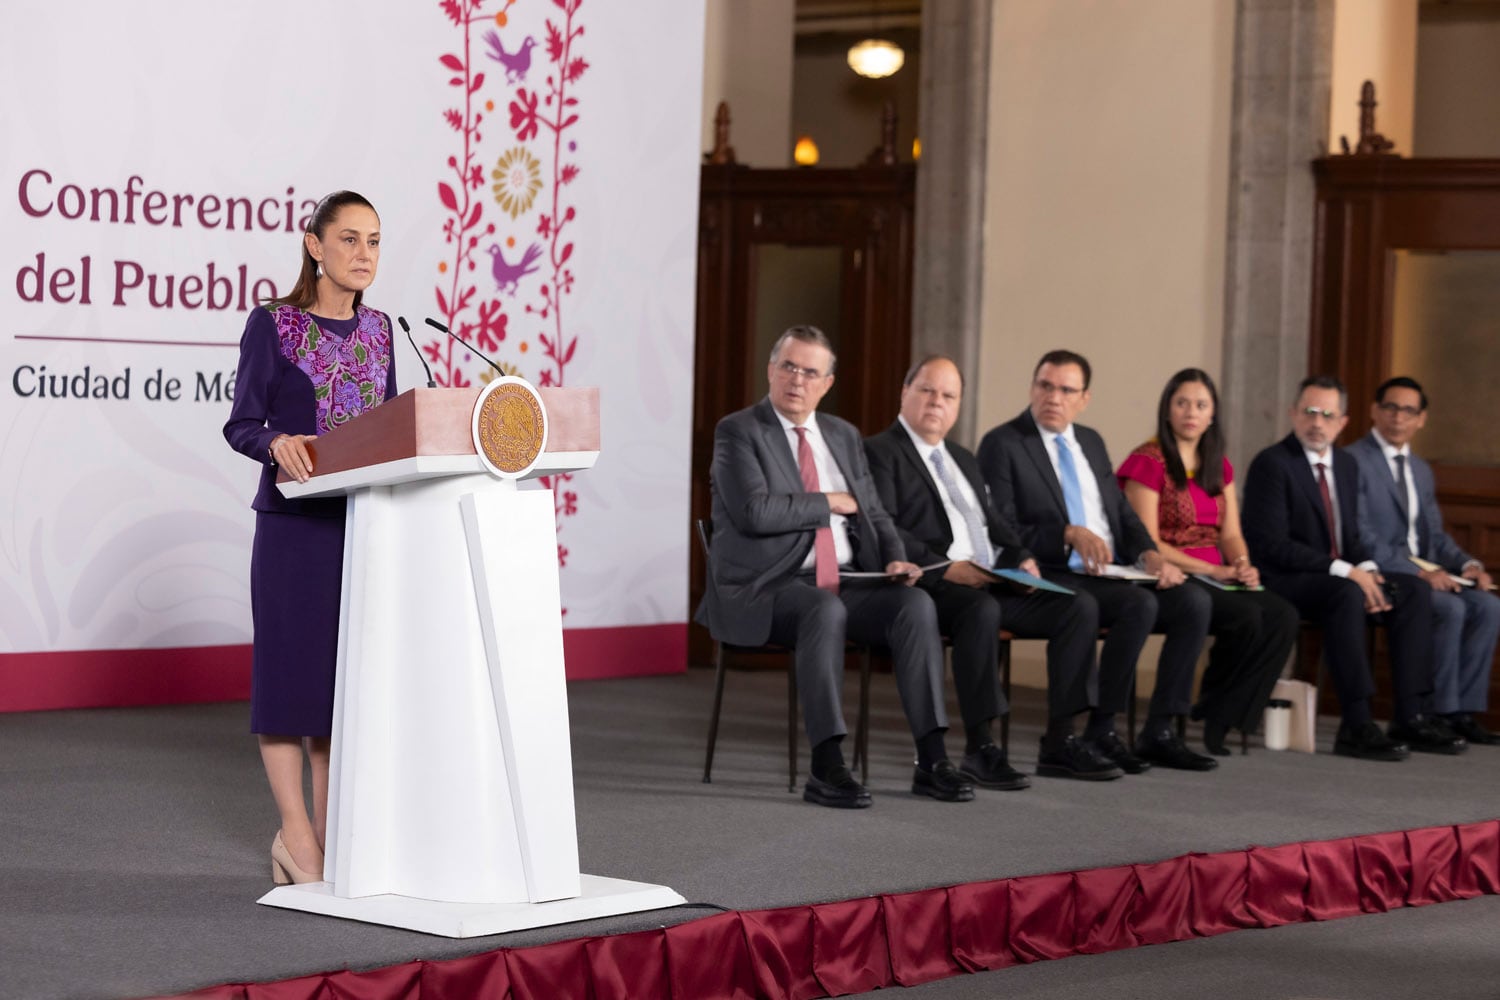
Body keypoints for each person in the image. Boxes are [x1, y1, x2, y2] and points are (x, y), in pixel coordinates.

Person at [696, 326, 971, 808]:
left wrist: (892, 556)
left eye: (810, 372)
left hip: (845, 579)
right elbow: (754, 513)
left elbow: (875, 511)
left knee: (914, 604)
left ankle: (932, 760)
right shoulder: (739, 430)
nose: (797, 380)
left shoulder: (842, 435)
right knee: (823, 611)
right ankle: (827, 766)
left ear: (827, 383)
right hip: (768, 585)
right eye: (789, 367)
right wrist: (829, 502)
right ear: (771, 370)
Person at [223, 191, 397, 883]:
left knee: (338, 691)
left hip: (363, 528)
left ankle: (330, 831)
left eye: (376, 242)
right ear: (314, 245)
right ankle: (296, 836)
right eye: (350, 239)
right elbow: (242, 423)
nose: (364, 255)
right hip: (295, 531)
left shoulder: (384, 331)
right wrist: (277, 441)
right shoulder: (274, 324)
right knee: (289, 684)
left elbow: (391, 430)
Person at [865, 355, 1117, 785]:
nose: (936, 402)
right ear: (904, 392)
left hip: (988, 578)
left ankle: (1060, 741)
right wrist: (947, 567)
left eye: (948, 395)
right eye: (926, 390)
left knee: (1077, 607)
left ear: (959, 405)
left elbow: (995, 523)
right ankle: (980, 748)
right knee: (980, 611)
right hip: (933, 582)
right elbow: (882, 526)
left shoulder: (962, 457)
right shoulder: (878, 451)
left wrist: (1021, 556)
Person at [977, 350, 1217, 773]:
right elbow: (999, 526)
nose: (1053, 397)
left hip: (1110, 569)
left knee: (1193, 602)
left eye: (1066, 390)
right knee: (1128, 605)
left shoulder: (1090, 440)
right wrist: (1064, 534)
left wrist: (1149, 555)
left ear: (1084, 398)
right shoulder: (1004, 443)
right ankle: (1071, 735)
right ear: (1033, 387)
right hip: (1050, 571)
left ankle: (1154, 730)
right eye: (1045, 386)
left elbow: (1121, 515)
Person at [1242, 375, 1460, 760]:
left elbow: (1353, 536)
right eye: (1310, 412)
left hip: (1339, 574)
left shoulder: (1345, 464)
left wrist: (1370, 570)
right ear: (1293, 414)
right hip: (1286, 579)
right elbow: (1271, 545)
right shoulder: (1273, 463)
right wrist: (1347, 571)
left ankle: (1411, 715)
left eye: (1328, 415)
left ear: (1343, 422)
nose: (1317, 423)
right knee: (1346, 591)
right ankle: (1356, 724)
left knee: (1412, 589)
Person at [1116, 369, 1299, 755]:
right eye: (1181, 403)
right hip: (1171, 574)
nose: (1190, 412)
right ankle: (1211, 706)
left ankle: (1224, 712)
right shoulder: (1147, 461)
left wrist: (1243, 563)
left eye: (1201, 405)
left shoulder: (1219, 465)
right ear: (1167, 409)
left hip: (1220, 574)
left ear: (1212, 414)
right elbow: (1147, 541)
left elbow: (1230, 534)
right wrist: (1216, 569)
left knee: (1283, 615)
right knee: (1246, 615)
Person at [1346, 376, 1499, 745]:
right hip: (1385, 576)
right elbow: (1361, 537)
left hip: (1430, 573)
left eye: (1408, 410)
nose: (1398, 417)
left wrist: (1468, 565)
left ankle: (1461, 711)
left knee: (1489, 606)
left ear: (1421, 419)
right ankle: (1434, 712)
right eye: (1390, 407)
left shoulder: (1420, 469)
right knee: (1449, 608)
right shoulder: (1353, 461)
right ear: (1374, 411)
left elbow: (1435, 535)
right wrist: (1417, 573)